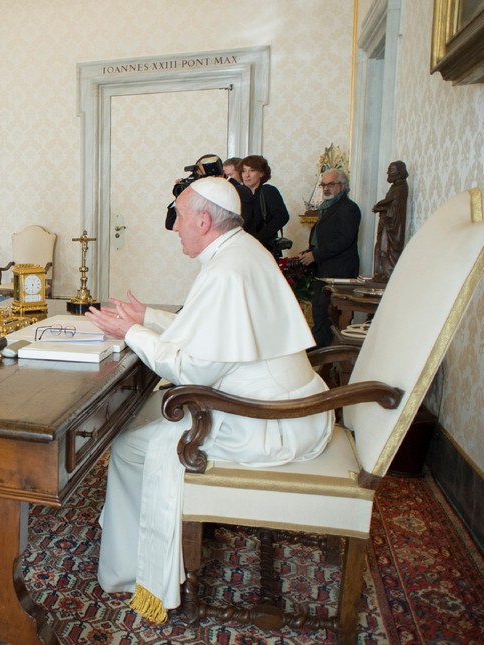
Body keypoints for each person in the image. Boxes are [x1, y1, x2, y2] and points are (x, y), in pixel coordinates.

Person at [86, 177, 332, 624]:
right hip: (287, 406)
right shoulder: (241, 252)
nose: (174, 226)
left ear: (203, 220)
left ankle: (133, 572)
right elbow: (209, 333)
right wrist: (149, 318)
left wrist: (132, 332)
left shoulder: (225, 270)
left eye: (178, 217)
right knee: (141, 420)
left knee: (127, 446)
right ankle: (144, 535)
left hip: (266, 424)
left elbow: (193, 371)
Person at [299, 168, 361, 347]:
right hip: (324, 267)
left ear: (343, 186)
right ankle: (320, 350)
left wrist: (315, 255)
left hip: (338, 270)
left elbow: (344, 240)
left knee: (328, 314)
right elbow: (323, 237)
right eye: (323, 185)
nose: (326, 189)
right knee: (319, 311)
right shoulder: (327, 207)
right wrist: (309, 251)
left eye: (331, 184)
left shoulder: (348, 208)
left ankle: (326, 353)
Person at [239, 155, 290, 257]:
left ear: (261, 173)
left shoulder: (268, 191)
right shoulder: (237, 192)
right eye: (244, 171)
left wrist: (258, 239)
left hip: (264, 248)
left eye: (252, 170)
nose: (247, 175)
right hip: (242, 247)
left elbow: (282, 217)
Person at [372, 160, 409, 281]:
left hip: (392, 224)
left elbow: (394, 204)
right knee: (382, 248)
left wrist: (380, 206)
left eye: (391, 170)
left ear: (399, 172)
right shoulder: (395, 186)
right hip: (387, 223)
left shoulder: (401, 186)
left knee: (388, 249)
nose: (388, 173)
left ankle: (388, 274)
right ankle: (382, 273)